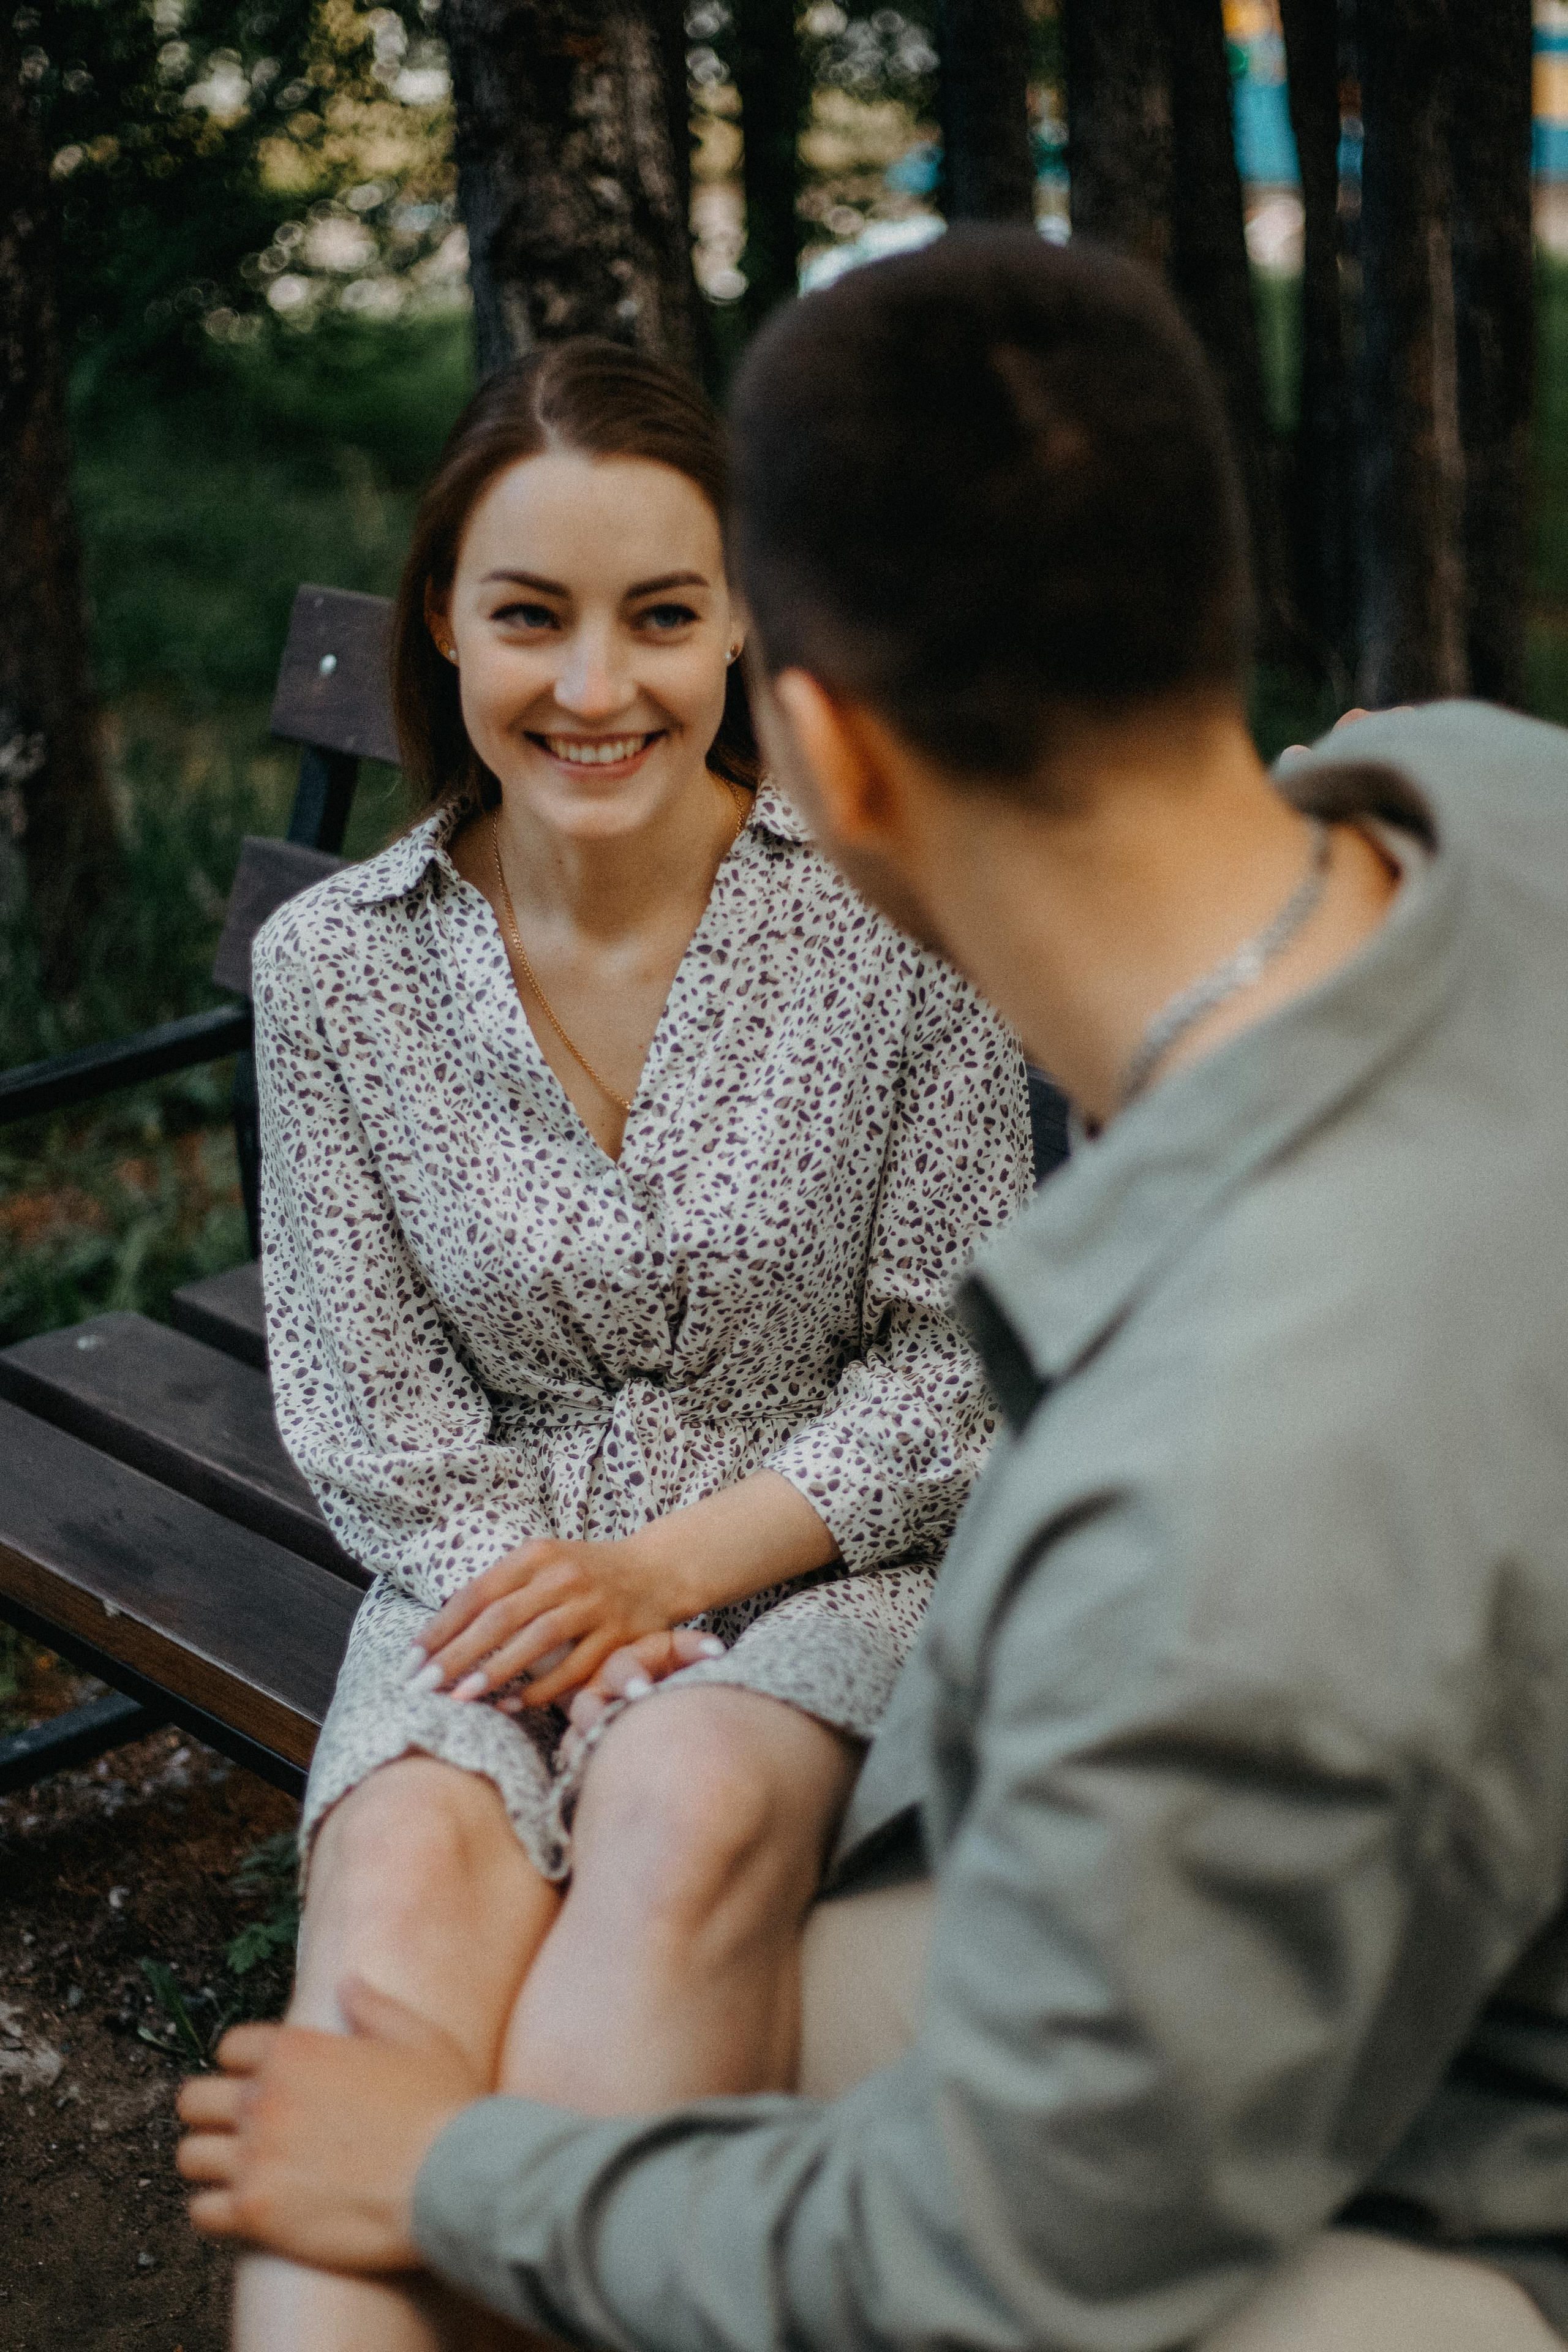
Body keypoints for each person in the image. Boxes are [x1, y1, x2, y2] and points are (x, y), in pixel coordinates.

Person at [179, 232, 1568, 2349]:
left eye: (669, 619)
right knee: (448, 1923)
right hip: (1382, 1867)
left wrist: (455, 2174)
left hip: (1444, 2170)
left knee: (661, 1899)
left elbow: (1015, 2245)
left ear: (810, 734)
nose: (596, 684)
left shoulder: (1184, 1522)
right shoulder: (1491, 787)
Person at [225, 334, 1031, 2348]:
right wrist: (558, 1614)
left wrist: (665, 1584)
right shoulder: (334, 971)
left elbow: (961, 1367)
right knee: (398, 1897)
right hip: (476, 1572)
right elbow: (371, 1410)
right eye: (532, 619)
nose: (598, 690)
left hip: (829, 1563)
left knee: (678, 1811)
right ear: (445, 623)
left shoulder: (891, 918)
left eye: (662, 618)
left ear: (741, 616)